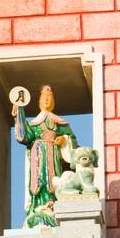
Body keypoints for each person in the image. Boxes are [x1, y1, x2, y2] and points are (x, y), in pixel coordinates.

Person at [14, 85, 76, 227]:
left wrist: (64, 140)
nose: (47, 100)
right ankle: (36, 209)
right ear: (39, 101)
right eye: (44, 98)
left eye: (50, 98)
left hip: (53, 155)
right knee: (37, 183)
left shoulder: (60, 123)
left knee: (54, 181)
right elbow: (24, 136)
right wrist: (19, 111)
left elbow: (72, 139)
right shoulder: (35, 123)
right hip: (37, 156)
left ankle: (52, 205)